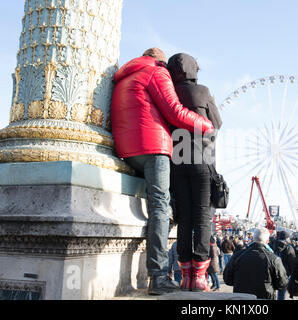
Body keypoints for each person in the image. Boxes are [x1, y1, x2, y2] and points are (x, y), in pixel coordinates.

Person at [111, 48, 214, 295]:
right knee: (161, 205)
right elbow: (174, 111)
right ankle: (157, 275)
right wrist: (205, 124)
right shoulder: (156, 72)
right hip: (152, 146)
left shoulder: (126, 76)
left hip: (126, 148)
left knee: (163, 203)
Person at [166, 53, 222, 292]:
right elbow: (217, 122)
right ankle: (199, 277)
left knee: (185, 219)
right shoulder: (203, 91)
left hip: (176, 160)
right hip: (201, 158)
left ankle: (185, 275)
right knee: (201, 218)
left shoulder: (168, 92)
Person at [223, 227, 288, 299]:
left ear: (253, 239)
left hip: (241, 296)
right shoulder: (273, 259)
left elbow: (227, 279)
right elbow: (282, 283)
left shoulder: (238, 256)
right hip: (265, 296)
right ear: (267, 240)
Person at [271, 231, 296, 300]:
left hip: (274, 272)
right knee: (282, 294)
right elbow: (292, 262)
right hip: (285, 273)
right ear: (287, 238)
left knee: (276, 293)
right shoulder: (289, 248)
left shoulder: (274, 244)